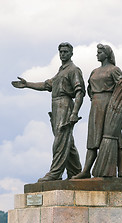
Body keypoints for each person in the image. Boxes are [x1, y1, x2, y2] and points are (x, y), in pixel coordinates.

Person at [12, 42, 85, 182]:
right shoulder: (60, 71)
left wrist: (74, 112)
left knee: (60, 140)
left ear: (71, 53)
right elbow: (46, 85)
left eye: (65, 52)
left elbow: (80, 92)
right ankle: (76, 172)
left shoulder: (74, 70)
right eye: (61, 52)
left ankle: (55, 173)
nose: (62, 54)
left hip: (65, 105)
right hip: (56, 106)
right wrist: (27, 84)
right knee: (67, 141)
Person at [73, 43, 122, 179]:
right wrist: (95, 99)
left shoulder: (114, 70)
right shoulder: (94, 71)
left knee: (115, 138)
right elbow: (90, 89)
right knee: (93, 139)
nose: (97, 54)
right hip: (96, 105)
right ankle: (86, 170)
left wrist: (116, 104)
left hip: (110, 105)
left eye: (100, 52)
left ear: (107, 54)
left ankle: (120, 171)